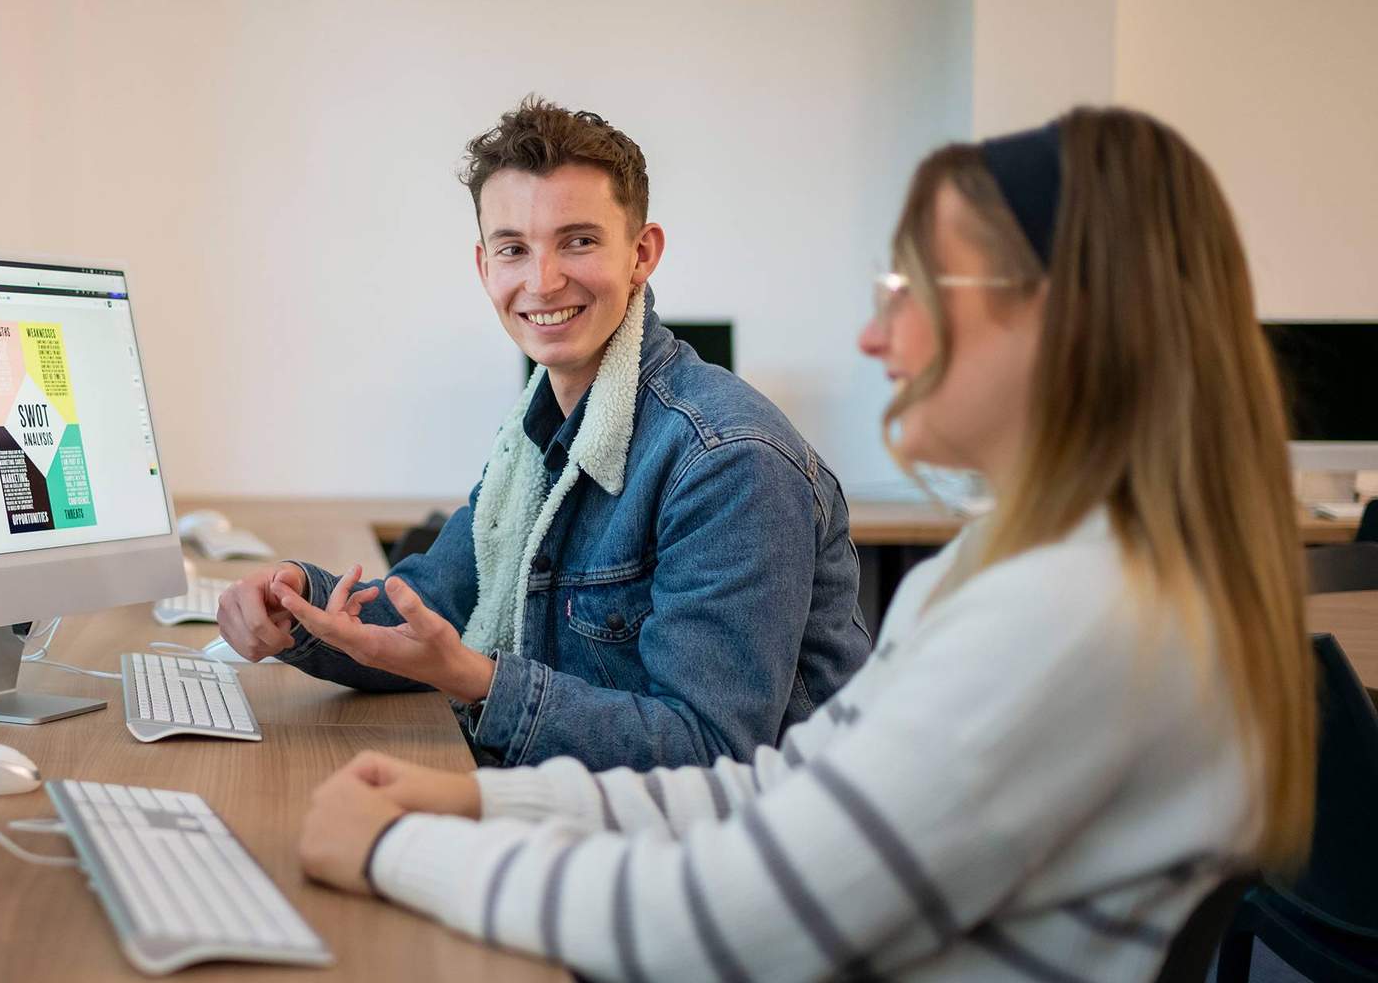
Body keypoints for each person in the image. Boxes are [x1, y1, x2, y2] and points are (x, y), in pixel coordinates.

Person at [293, 107, 1317, 980]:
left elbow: (733, 922)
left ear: (1069, 322)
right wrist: (472, 799)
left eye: (915, 290)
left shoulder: (1074, 612)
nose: (876, 339)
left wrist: (398, 851)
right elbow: (768, 793)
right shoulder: (1000, 566)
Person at [216, 97, 869, 770]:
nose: (542, 280)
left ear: (642, 254)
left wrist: (479, 681)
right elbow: (431, 611)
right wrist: (296, 599)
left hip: (717, 856)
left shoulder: (730, 461)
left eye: (579, 241)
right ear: (484, 268)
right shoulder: (533, 438)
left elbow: (707, 750)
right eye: (514, 249)